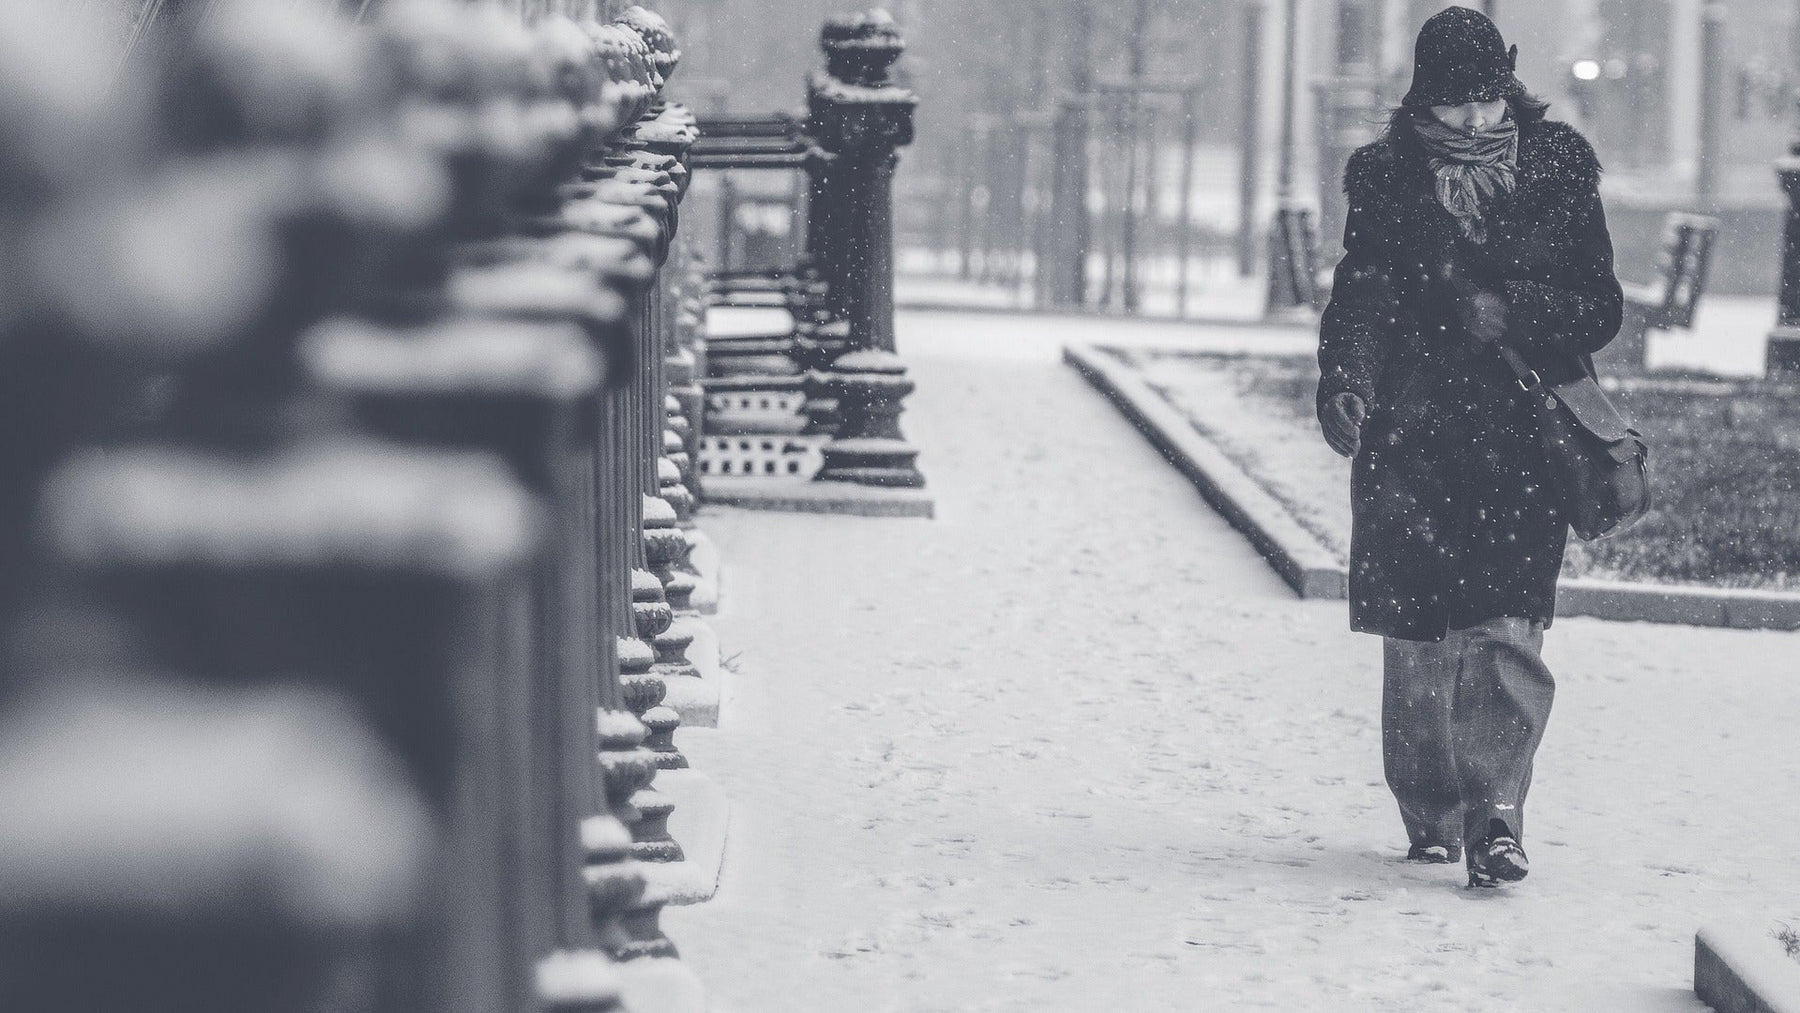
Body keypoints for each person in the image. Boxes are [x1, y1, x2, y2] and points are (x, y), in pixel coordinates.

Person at [1315, 6, 1623, 888]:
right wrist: (1345, 382)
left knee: (1504, 633)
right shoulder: (1386, 180)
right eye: (1455, 107)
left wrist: (1513, 310)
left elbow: (1599, 305)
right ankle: (1433, 811)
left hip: (1520, 438)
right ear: (1423, 100)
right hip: (1411, 438)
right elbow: (1362, 297)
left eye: (1489, 101)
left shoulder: (1560, 170)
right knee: (1416, 645)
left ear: (1510, 85)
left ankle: (1496, 816)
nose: (1476, 123)